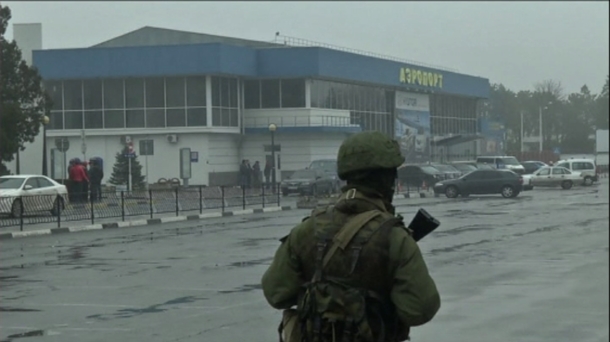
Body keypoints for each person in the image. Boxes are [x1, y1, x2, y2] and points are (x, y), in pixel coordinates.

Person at [261, 130, 440, 342]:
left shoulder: (307, 230)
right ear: (388, 180)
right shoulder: (394, 238)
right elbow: (420, 309)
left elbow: (276, 293)